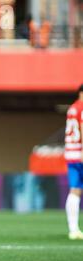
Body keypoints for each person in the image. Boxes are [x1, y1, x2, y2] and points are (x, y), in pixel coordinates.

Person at [64, 84, 83, 240]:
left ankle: (73, 229)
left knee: (75, 189)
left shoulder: (72, 108)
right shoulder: (82, 107)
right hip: (80, 153)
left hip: (71, 153)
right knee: (76, 190)